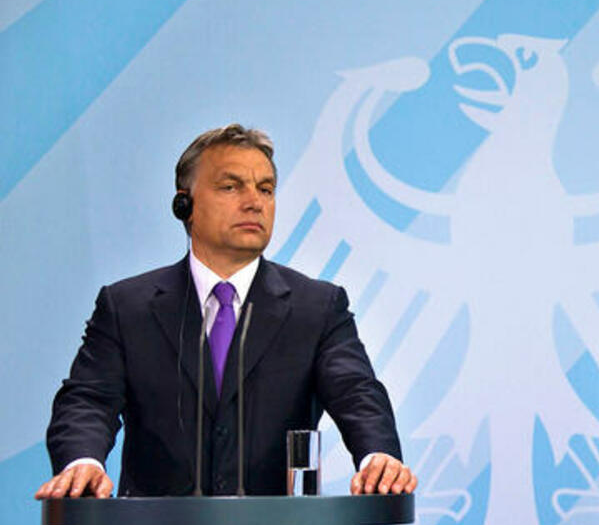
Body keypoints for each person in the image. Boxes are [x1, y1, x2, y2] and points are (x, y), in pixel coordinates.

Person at [36, 124, 416, 499]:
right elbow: (88, 399)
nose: (254, 201)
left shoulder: (317, 308)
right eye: (231, 186)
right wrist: (82, 461)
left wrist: (376, 456)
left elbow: (356, 391)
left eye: (265, 189)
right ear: (184, 204)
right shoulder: (127, 307)